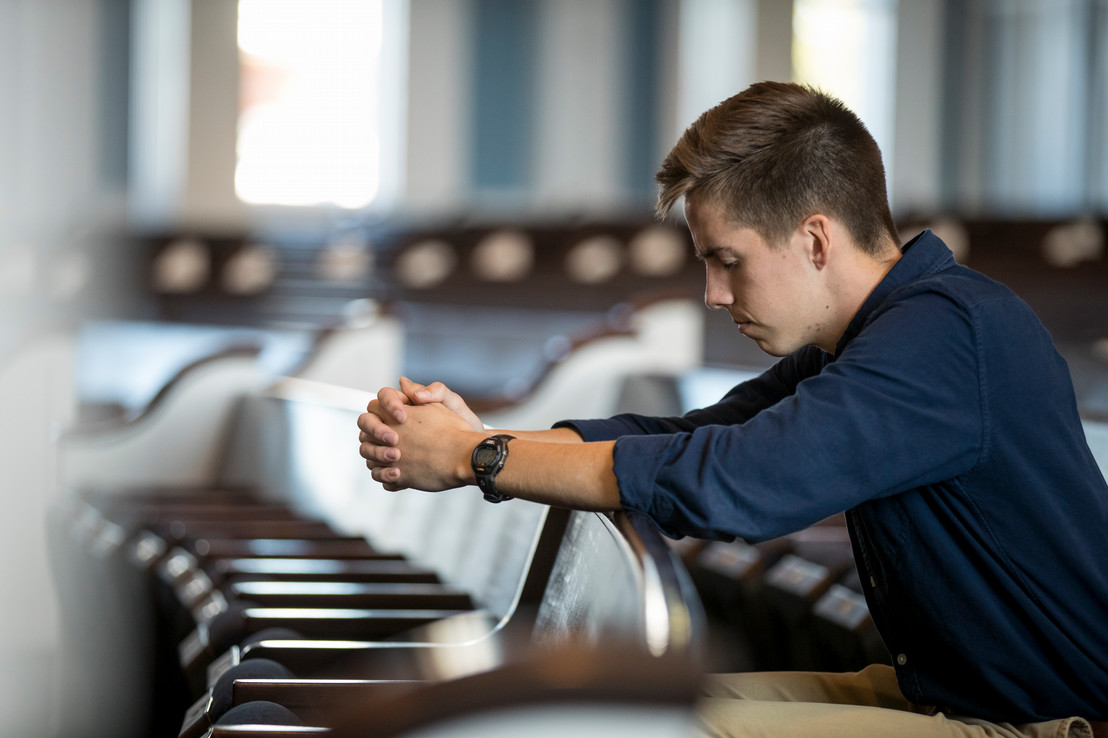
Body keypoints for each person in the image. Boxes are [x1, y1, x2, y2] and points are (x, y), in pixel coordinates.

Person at [357, 82, 1108, 737]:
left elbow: (735, 482)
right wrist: (479, 436)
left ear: (816, 239)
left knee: (648, 731)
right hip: (952, 698)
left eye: (728, 260)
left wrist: (472, 459)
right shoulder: (875, 334)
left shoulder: (944, 334)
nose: (714, 295)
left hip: (1040, 723)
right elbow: (699, 436)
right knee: (627, 711)